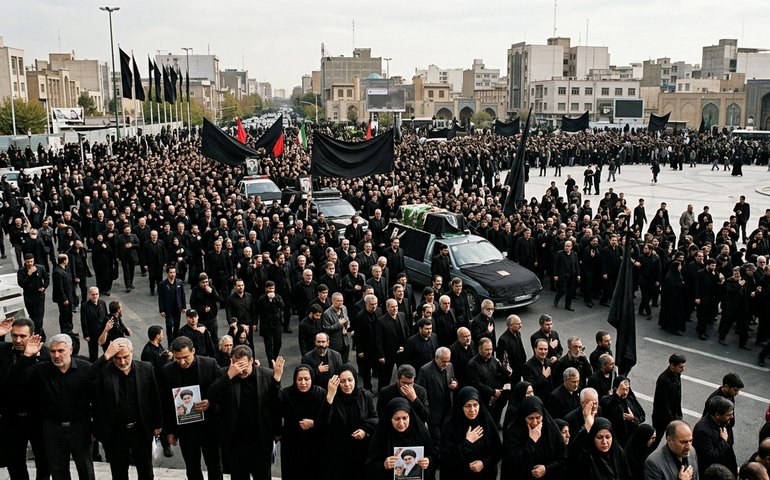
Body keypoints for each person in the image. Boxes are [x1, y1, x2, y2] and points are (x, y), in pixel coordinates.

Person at [9, 333, 98, 480]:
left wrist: (95, 425)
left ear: (70, 350)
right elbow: (15, 381)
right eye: (52, 351)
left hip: (80, 428)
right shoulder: (41, 369)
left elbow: (96, 398)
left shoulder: (85, 368)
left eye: (60, 351)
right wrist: (27, 356)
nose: (56, 355)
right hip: (52, 430)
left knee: (85, 471)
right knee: (58, 472)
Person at [89, 338, 163, 480]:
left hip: (140, 430)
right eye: (117, 358)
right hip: (115, 432)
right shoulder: (105, 370)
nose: (122, 362)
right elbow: (88, 380)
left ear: (132, 352)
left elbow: (154, 397)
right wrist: (105, 357)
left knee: (146, 472)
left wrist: (158, 424)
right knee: (119, 473)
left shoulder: (146, 368)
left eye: (125, 357)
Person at [207, 347, 282, 480]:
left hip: (259, 441)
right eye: (237, 365)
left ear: (251, 361)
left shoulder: (267, 375)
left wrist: (277, 431)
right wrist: (229, 376)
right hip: (235, 441)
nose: (240, 370)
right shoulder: (224, 373)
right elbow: (212, 397)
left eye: (243, 365)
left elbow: (276, 405)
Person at [161, 336, 222, 480]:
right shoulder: (168, 371)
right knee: (192, 467)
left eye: (185, 357)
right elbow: (166, 403)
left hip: (209, 427)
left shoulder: (210, 364)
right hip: (186, 430)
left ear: (193, 351)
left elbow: (222, 390)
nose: (182, 362)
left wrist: (210, 402)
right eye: (177, 358)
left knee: (215, 465)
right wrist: (169, 432)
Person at [0, 318, 51, 479]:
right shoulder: (4, 350)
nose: (18, 340)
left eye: (23, 336)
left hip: (38, 417)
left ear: (32, 336)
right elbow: (11, 382)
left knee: (43, 458)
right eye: (14, 335)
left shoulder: (46, 354)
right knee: (14, 461)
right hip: (12, 418)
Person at [322, 364, 379, 480]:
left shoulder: (365, 395)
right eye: (342, 381)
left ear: (355, 379)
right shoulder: (332, 397)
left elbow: (375, 418)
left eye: (350, 380)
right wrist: (330, 397)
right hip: (338, 453)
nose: (347, 384)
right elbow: (323, 422)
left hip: (360, 451)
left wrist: (364, 430)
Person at [277, 364, 330, 480]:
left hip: (315, 445)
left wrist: (314, 423)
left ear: (312, 379)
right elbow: (275, 406)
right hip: (293, 446)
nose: (303, 383)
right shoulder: (288, 394)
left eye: (307, 379)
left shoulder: (321, 394)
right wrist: (276, 379)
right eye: (299, 379)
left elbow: (327, 420)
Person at [365, 397, 437, 480]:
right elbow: (369, 467)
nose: (401, 423)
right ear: (390, 418)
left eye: (405, 418)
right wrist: (383, 465)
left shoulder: (420, 433)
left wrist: (428, 461)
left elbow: (434, 456)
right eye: (397, 419)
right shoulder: (381, 436)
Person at [439, 386, 502, 480]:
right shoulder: (450, 425)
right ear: (461, 406)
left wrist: (484, 463)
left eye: (475, 405)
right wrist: (467, 442)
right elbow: (447, 458)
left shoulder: (486, 422)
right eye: (467, 406)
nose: (472, 410)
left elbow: (497, 451)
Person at [502, 396, 568, 479]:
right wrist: (531, 441)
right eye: (530, 418)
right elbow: (513, 461)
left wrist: (546, 468)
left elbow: (563, 458)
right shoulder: (514, 432)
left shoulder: (551, 430)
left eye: (538, 417)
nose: (534, 423)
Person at [567, 407, 633, 480]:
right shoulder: (586, 456)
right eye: (599, 437)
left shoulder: (618, 453)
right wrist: (586, 427)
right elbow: (573, 454)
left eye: (608, 437)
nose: (604, 442)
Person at [693, 396, 737, 477]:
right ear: (717, 415)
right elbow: (710, 457)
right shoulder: (702, 431)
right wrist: (723, 441)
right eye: (728, 415)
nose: (731, 417)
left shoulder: (725, 421)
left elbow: (730, 442)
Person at [599, 375, 646, 448]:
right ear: (616, 389)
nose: (625, 392)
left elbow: (642, 416)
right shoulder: (606, 399)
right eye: (623, 390)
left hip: (629, 440)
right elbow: (609, 409)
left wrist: (633, 418)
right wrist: (618, 394)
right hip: (615, 440)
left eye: (627, 389)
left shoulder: (630, 399)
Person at [652, 354, 686, 446]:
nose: (683, 369)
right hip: (662, 418)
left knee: (675, 440)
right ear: (672, 366)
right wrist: (671, 420)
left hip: (674, 415)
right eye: (680, 367)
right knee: (655, 440)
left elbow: (677, 396)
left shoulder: (677, 375)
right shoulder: (664, 380)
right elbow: (663, 403)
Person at [376, 298, 410, 389]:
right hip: (388, 353)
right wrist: (381, 355)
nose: (395, 308)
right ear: (387, 308)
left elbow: (406, 333)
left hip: (401, 352)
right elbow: (379, 340)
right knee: (385, 376)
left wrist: (405, 347)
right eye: (392, 307)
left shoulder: (402, 315)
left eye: (396, 306)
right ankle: (382, 391)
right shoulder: (381, 321)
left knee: (403, 374)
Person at [351, 294, 381, 392]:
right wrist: (359, 350)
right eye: (371, 304)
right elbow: (357, 335)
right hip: (365, 348)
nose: (374, 306)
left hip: (376, 347)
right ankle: (368, 389)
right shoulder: (360, 316)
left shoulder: (379, 311)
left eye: (375, 304)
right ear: (366, 304)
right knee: (366, 371)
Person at [17, 253, 49, 341]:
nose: (30, 263)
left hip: (39, 296)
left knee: (39, 317)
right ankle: (39, 331)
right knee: (32, 317)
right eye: (28, 262)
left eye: (31, 261)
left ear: (33, 260)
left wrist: (44, 287)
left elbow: (46, 278)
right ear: (25, 261)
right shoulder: (21, 271)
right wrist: (29, 274)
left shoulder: (40, 268)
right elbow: (22, 284)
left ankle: (38, 335)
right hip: (29, 297)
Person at [189, 273, 224, 345]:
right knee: (202, 338)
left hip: (212, 317)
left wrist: (212, 293)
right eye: (203, 282)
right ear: (199, 283)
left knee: (214, 337)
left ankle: (215, 351)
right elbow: (193, 304)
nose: (205, 284)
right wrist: (203, 309)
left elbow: (219, 299)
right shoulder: (195, 291)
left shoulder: (212, 288)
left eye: (206, 282)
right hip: (201, 318)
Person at [256, 280, 286, 364]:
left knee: (278, 343)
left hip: (277, 324)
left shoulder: (278, 297)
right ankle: (271, 362)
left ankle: (275, 357)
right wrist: (269, 301)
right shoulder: (262, 299)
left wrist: (275, 299)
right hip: (266, 325)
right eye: (270, 288)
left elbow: (282, 307)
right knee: (268, 345)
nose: (271, 290)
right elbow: (258, 311)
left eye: (273, 288)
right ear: (266, 289)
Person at [158, 265, 187, 349]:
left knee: (177, 326)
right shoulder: (163, 284)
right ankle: (170, 342)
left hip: (177, 308)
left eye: (174, 272)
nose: (173, 274)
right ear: (167, 274)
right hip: (168, 309)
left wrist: (184, 306)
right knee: (169, 325)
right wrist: (162, 310)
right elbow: (161, 298)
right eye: (171, 272)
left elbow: (182, 295)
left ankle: (175, 341)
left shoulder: (179, 282)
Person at [225, 278, 256, 349]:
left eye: (242, 285)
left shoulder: (249, 297)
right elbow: (228, 313)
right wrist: (231, 323)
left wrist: (254, 323)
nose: (241, 287)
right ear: (235, 287)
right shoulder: (230, 299)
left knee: (250, 344)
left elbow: (253, 311)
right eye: (239, 286)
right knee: (236, 345)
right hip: (236, 325)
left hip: (248, 325)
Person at [81, 286, 108, 361]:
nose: (95, 296)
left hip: (103, 332)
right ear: (89, 295)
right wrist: (86, 334)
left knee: (107, 351)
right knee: (93, 354)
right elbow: (84, 321)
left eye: (96, 294)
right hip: (92, 333)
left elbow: (106, 316)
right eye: (93, 294)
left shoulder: (102, 303)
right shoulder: (85, 306)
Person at [659, 261, 686, 335]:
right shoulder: (671, 276)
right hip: (673, 299)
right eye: (679, 266)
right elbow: (672, 287)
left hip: (675, 298)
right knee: (674, 314)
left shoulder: (676, 274)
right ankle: (674, 328)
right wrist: (681, 284)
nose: (680, 267)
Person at [497, 314, 527, 383]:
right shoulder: (503, 340)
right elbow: (503, 360)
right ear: (510, 325)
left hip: (519, 371)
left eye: (520, 323)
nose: (521, 325)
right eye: (518, 324)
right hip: (511, 375)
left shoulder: (518, 334)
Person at [322, 292, 351, 363]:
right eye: (338, 301)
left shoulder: (344, 308)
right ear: (332, 301)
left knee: (345, 363)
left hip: (345, 342)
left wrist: (346, 327)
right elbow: (327, 329)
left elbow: (347, 319)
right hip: (334, 344)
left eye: (341, 301)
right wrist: (338, 324)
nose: (340, 303)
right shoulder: (327, 314)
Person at [553, 241, 581, 311]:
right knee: (563, 289)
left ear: (571, 247)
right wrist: (555, 275)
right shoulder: (559, 254)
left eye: (568, 246)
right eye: (566, 246)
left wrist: (578, 274)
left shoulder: (574, 254)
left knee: (570, 291)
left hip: (571, 275)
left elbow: (576, 265)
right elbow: (556, 265)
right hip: (563, 275)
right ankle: (557, 298)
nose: (567, 247)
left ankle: (568, 305)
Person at [52, 253, 75, 333]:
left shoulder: (64, 269)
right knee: (64, 314)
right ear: (64, 261)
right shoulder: (58, 272)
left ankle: (69, 328)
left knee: (69, 313)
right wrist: (64, 298)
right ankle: (65, 329)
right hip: (64, 297)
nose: (68, 261)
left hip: (69, 295)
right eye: (67, 259)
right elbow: (59, 287)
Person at [116, 224, 140, 292]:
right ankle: (128, 286)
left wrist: (132, 245)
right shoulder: (120, 237)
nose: (127, 231)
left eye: (128, 230)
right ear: (124, 230)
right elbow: (117, 247)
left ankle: (131, 283)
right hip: (124, 257)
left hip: (132, 257)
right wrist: (117, 256)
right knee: (126, 272)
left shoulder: (134, 236)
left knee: (132, 271)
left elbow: (138, 244)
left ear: (130, 230)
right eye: (126, 230)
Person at [142, 230, 166, 295]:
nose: (154, 236)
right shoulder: (146, 244)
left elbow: (164, 252)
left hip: (159, 263)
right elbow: (144, 254)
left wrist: (165, 261)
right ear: (150, 236)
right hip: (151, 264)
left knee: (159, 278)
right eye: (153, 235)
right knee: (152, 277)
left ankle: (159, 289)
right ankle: (152, 289)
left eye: (156, 235)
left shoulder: (161, 242)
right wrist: (145, 264)